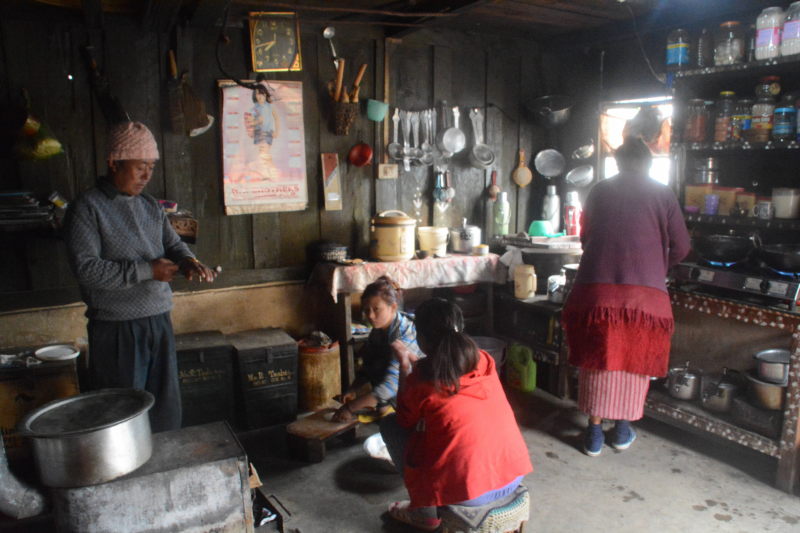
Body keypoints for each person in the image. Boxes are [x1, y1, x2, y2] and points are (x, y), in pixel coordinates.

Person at [64, 121, 217, 432]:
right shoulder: (87, 208)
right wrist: (149, 271)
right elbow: (87, 270)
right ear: (113, 163)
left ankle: (162, 471)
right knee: (122, 413)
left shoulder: (149, 205)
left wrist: (188, 262)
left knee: (165, 408)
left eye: (150, 167)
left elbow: (173, 244)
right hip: (117, 329)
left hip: (158, 319)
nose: (147, 176)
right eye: (139, 168)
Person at [562, 136, 690, 457]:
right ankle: (621, 429)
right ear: (648, 163)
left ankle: (593, 431)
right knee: (635, 360)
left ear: (618, 162)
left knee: (599, 360)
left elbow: (586, 236)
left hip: (596, 296)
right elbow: (683, 247)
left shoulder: (600, 191)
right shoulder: (663, 194)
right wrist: (658, 267)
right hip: (644, 301)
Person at [380, 298, 532, 531]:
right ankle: (429, 508)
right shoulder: (483, 359)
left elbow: (404, 420)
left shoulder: (420, 380)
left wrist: (404, 367)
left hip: (471, 493)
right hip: (513, 473)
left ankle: (425, 513)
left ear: (420, 339)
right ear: (460, 330)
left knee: (392, 426)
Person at [332, 276, 422, 422]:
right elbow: (368, 367)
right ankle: (385, 406)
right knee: (375, 361)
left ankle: (401, 410)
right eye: (366, 310)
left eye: (376, 309)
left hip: (420, 389)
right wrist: (353, 389)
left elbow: (391, 385)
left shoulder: (404, 334)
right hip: (398, 386)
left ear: (393, 307)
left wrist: (349, 408)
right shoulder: (378, 330)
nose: (371, 316)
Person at [244, 84, 280, 173]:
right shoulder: (255, 108)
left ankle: (265, 169)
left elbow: (276, 118)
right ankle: (269, 171)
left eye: (261, 94)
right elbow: (249, 120)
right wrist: (256, 121)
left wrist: (277, 131)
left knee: (264, 152)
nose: (259, 96)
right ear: (254, 96)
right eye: (257, 94)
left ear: (265, 94)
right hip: (258, 132)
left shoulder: (269, 106)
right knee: (263, 153)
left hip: (268, 132)